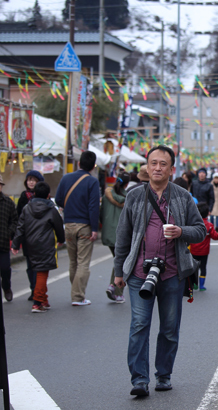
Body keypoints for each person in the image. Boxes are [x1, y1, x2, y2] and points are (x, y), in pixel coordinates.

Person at [113, 146, 205, 397]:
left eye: (163, 164)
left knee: (169, 328)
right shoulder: (134, 196)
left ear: (171, 169)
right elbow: (123, 236)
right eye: (153, 163)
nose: (157, 168)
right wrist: (118, 271)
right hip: (139, 273)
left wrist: (181, 231)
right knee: (139, 325)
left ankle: (163, 375)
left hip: (172, 274)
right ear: (147, 166)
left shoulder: (183, 197)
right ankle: (139, 379)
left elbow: (200, 230)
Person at [54, 151, 101, 306]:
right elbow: (93, 207)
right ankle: (78, 296)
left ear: (79, 163)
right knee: (83, 262)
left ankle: (76, 293)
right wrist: (95, 228)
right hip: (85, 226)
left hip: (68, 224)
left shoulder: (66, 178)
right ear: (93, 166)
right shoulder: (92, 182)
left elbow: (59, 199)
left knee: (73, 261)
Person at [11, 182, 65, 313]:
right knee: (42, 272)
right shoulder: (52, 210)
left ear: (34, 194)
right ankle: (37, 302)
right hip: (46, 244)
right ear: (48, 195)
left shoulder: (27, 208)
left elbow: (20, 227)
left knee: (37, 270)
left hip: (30, 244)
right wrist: (61, 240)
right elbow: (58, 226)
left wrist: (15, 244)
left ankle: (44, 299)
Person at [16, 169, 45, 300]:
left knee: (39, 265)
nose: (31, 182)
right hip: (27, 235)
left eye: (34, 180)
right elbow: (18, 218)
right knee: (30, 265)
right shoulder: (23, 197)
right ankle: (33, 288)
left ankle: (37, 291)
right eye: (29, 179)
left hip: (40, 235)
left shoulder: (44, 196)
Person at [102, 172, 130, 303]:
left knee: (118, 258)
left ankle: (113, 287)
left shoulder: (106, 195)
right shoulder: (127, 197)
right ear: (127, 183)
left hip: (108, 233)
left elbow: (101, 214)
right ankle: (115, 288)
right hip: (121, 233)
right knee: (122, 260)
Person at [190, 202, 218, 291]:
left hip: (193, 250)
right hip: (204, 252)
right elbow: (216, 236)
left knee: (193, 268)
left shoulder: (192, 224)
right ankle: (202, 286)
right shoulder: (209, 226)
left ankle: (194, 284)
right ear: (208, 213)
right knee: (203, 268)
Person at [0, 174, 18, 302]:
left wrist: (9, 232)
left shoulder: (8, 202)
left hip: (3, 242)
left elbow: (14, 220)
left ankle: (6, 287)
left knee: (5, 268)